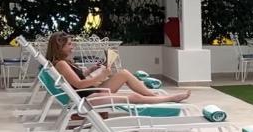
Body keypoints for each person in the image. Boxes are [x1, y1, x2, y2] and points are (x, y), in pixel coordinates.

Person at [46, 32, 190, 105]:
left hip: (92, 91)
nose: (73, 47)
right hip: (88, 98)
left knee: (124, 74)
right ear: (60, 47)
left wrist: (90, 70)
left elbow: (76, 78)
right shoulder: (61, 64)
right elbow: (78, 85)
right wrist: (101, 76)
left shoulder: (63, 62)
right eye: (69, 44)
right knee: (133, 97)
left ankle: (154, 96)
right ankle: (169, 99)